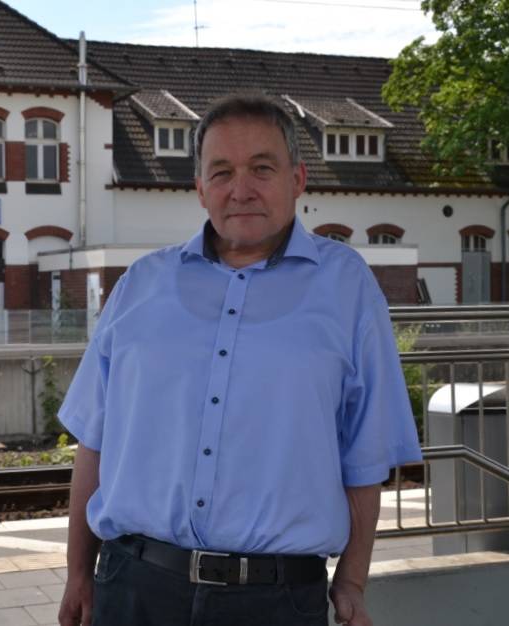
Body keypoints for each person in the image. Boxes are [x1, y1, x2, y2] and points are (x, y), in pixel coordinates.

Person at [56, 95, 422, 626]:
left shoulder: (347, 287)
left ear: (297, 179)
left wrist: (352, 580)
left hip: (275, 600)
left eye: (262, 169)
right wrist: (77, 572)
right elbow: (95, 440)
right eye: (221, 171)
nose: (241, 189)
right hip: (134, 589)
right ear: (200, 187)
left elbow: (365, 453)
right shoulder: (141, 284)